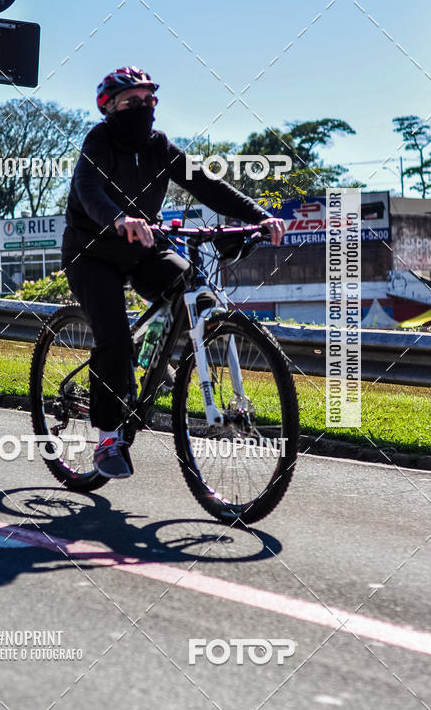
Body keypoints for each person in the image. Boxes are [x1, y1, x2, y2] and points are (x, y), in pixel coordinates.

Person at [62, 66, 285, 479]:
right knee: (111, 337)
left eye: (150, 100)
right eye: (134, 101)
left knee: (195, 294)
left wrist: (260, 215)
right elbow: (87, 191)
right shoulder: (99, 141)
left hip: (144, 247)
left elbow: (207, 185)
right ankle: (108, 438)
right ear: (109, 107)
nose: (145, 108)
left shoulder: (159, 147)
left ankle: (148, 356)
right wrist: (118, 219)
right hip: (92, 253)